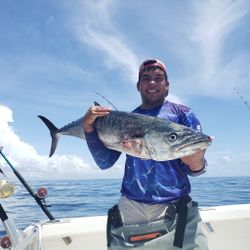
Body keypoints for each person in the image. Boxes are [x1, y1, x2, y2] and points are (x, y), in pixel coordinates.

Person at [83, 59, 208, 250]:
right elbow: (105, 162)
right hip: (131, 208)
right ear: (138, 86)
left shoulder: (184, 114)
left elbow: (196, 169)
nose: (152, 83)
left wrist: (196, 161)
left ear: (167, 85)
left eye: (158, 78)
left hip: (175, 206)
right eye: (146, 78)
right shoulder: (125, 119)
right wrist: (88, 128)